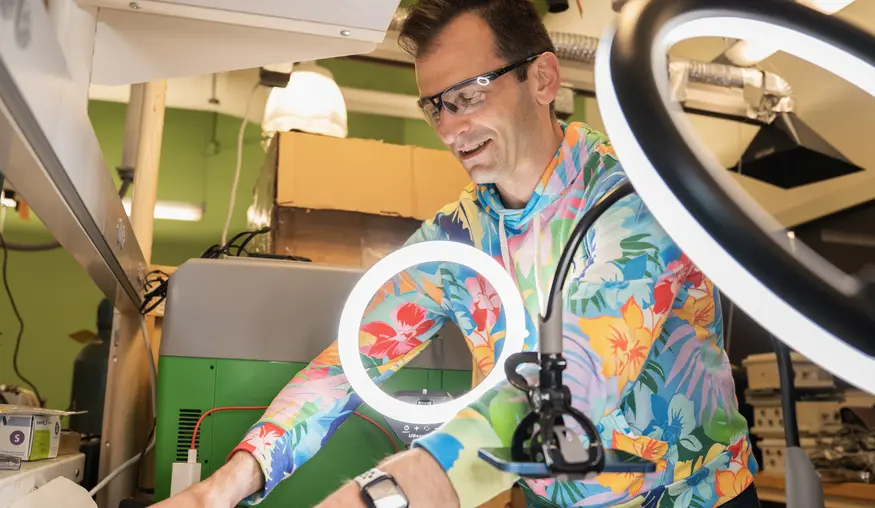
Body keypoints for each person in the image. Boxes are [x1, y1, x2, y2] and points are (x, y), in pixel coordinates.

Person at [154, 0, 759, 506]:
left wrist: (384, 494)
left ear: (543, 79)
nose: (446, 129)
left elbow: (571, 386)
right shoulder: (459, 237)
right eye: (434, 105)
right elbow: (345, 367)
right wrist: (222, 487)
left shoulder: (632, 199)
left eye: (466, 95)